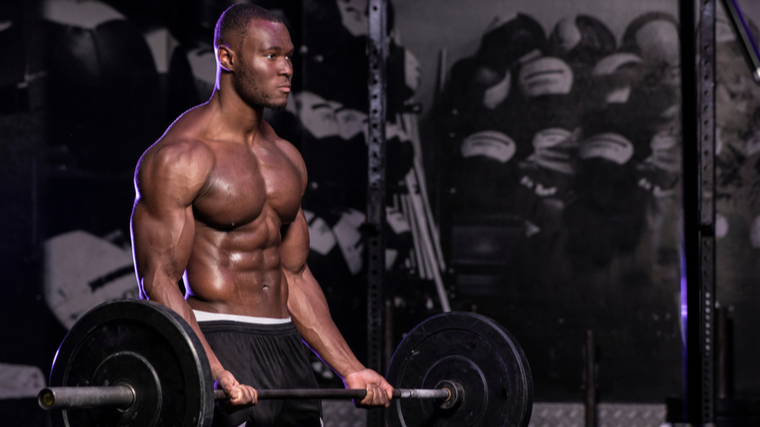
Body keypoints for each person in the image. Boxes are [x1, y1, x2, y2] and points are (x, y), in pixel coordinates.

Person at [129, 4, 393, 426]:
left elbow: (296, 274)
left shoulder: (286, 158)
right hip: (217, 338)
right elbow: (157, 280)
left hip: (285, 343)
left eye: (288, 56)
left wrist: (350, 368)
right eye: (270, 56)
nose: (286, 69)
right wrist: (211, 370)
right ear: (226, 58)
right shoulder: (181, 157)